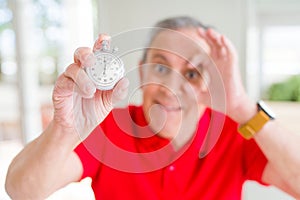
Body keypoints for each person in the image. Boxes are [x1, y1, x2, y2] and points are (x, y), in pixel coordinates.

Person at [5, 16, 300, 200]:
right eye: (161, 66)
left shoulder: (232, 135)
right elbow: (23, 191)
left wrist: (242, 106)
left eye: (193, 73)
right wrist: (65, 130)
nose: (173, 86)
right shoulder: (106, 125)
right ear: (142, 72)